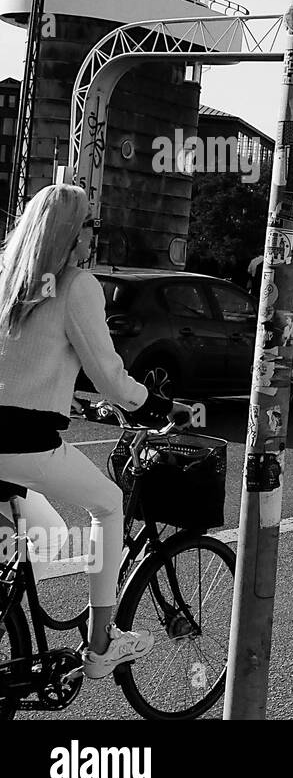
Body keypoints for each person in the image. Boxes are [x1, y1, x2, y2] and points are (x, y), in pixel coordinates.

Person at [0, 184, 188, 678]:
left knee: (17, 543)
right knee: (107, 502)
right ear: (70, 233)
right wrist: (150, 404)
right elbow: (108, 374)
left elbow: (24, 366)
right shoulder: (75, 284)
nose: (93, 238)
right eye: (90, 227)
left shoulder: (7, 280)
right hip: (23, 443)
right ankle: (102, 647)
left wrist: (71, 400)